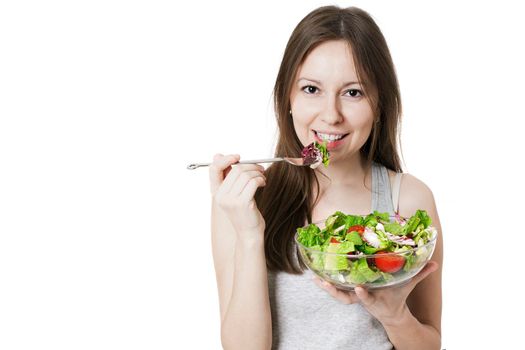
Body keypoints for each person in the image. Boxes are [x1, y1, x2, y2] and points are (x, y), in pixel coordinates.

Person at [208, 5, 443, 350]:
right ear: (286, 97)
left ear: (379, 105)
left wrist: (393, 315)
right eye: (311, 89)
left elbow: (431, 344)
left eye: (353, 92)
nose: (330, 115)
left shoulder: (407, 198)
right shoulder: (243, 199)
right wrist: (248, 234)